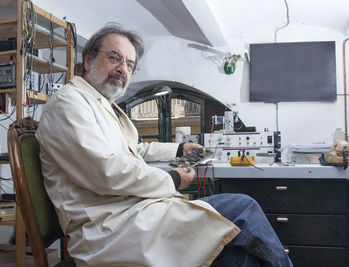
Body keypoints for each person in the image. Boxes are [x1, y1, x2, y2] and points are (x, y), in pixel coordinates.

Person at [36, 23, 292, 267]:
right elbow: (106, 171)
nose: (122, 68)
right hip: (107, 229)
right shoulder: (69, 103)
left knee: (237, 259)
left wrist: (179, 149)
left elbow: (133, 149)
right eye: (114, 58)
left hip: (128, 212)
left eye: (129, 64)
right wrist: (172, 178)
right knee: (243, 208)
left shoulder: (100, 104)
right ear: (89, 60)